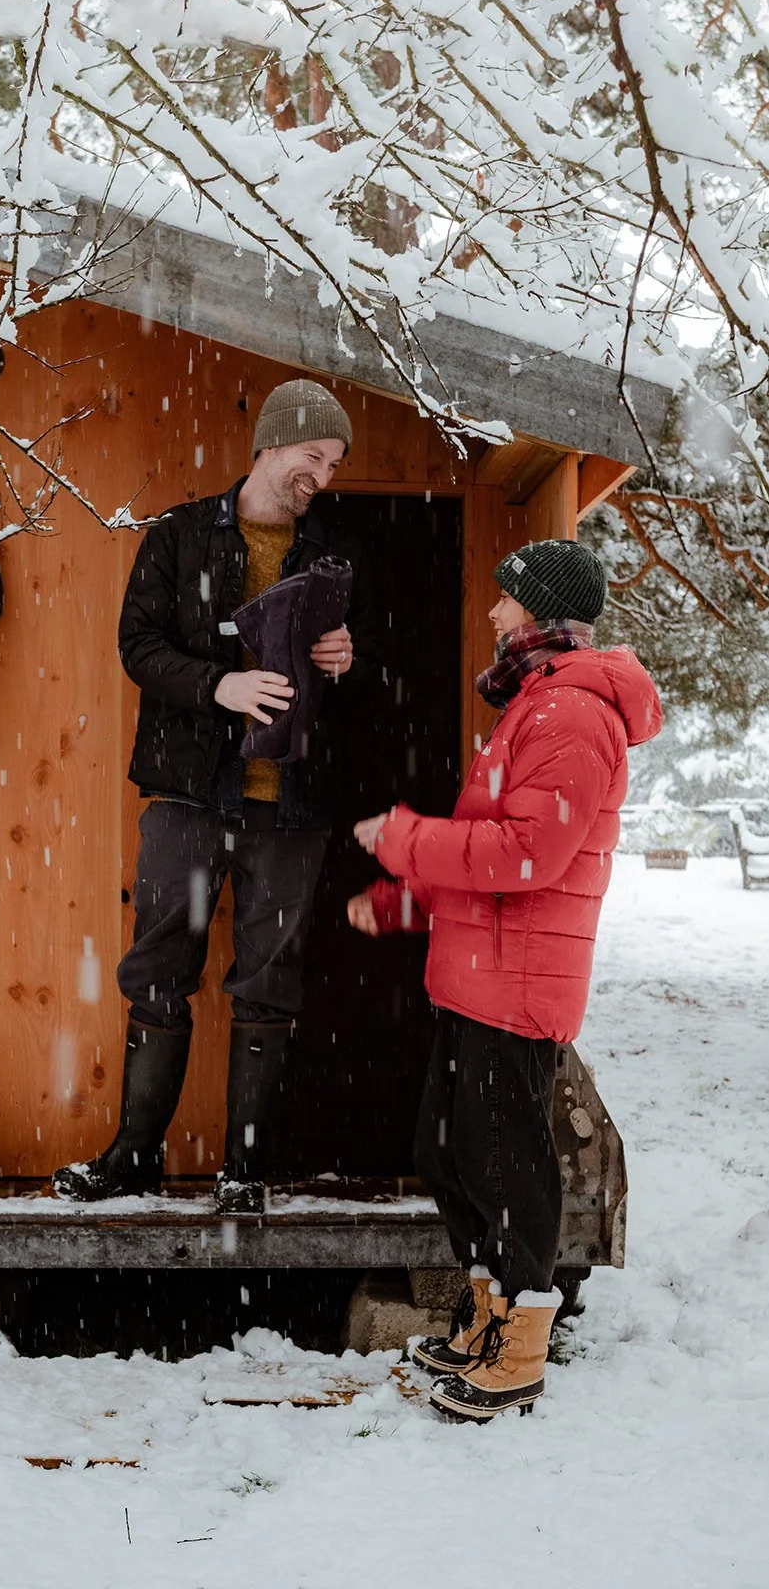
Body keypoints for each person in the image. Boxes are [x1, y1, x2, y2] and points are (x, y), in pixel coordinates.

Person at [348, 537, 662, 1420]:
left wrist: (404, 838)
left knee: (505, 1162)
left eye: (506, 599)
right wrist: (404, 900)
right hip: (476, 972)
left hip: (517, 984)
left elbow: (527, 854)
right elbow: (497, 856)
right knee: (447, 1154)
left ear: (542, 613)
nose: (491, 613)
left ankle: (521, 1341)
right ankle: (486, 1315)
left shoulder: (570, 713)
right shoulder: (534, 703)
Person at [54, 379, 377, 1214]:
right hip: (187, 796)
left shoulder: (329, 550)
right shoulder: (182, 535)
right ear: (271, 443)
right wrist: (218, 689)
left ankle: (243, 1173)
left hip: (290, 806)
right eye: (314, 457)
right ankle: (133, 1157)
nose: (323, 476)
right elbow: (137, 647)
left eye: (333, 464)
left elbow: (344, 669)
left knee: (268, 980)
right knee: (159, 969)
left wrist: (342, 661)